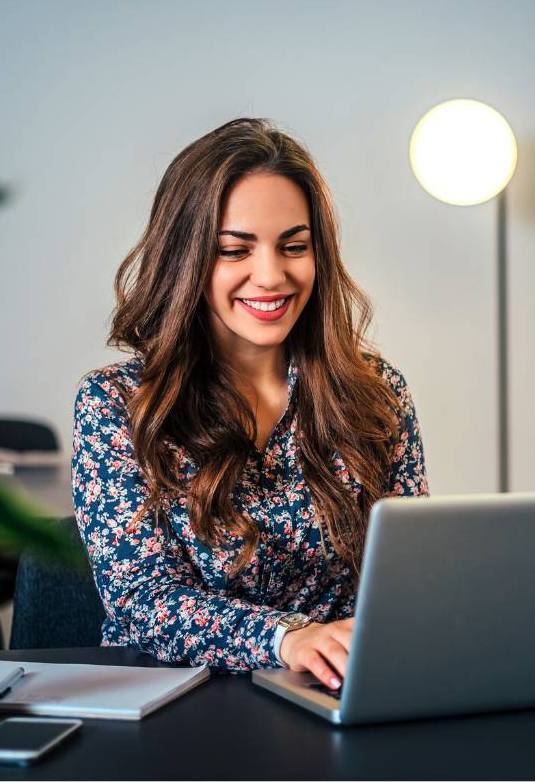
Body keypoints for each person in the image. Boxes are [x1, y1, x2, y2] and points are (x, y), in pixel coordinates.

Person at [71, 118, 428, 692]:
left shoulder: (377, 393)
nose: (271, 276)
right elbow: (142, 601)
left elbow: (408, 577)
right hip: (177, 709)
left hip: (339, 698)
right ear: (185, 261)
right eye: (235, 250)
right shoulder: (118, 403)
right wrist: (287, 638)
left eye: (294, 246)